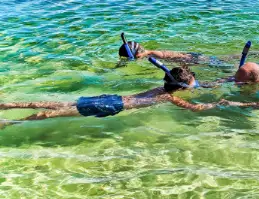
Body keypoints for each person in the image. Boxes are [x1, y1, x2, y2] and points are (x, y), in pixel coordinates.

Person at [0, 67, 219, 125]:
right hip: (110, 107)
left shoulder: (159, 90)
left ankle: (7, 105)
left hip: (111, 97)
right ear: (180, 88)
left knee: (59, 104)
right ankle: (10, 122)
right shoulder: (169, 98)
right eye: (191, 86)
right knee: (49, 115)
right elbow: (194, 109)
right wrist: (218, 105)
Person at [118, 41, 238, 66]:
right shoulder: (150, 53)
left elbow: (180, 59)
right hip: (192, 57)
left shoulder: (154, 55)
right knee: (224, 59)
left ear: (137, 55)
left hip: (194, 59)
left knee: (224, 62)